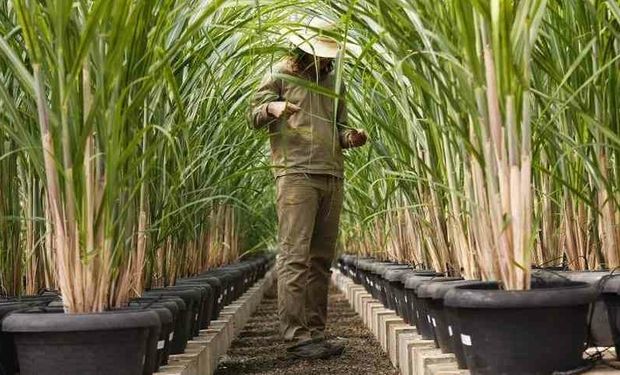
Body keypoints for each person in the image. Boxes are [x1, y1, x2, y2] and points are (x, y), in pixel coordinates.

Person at [249, 17, 367, 359]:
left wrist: (352, 138)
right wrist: (274, 107)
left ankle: (316, 332)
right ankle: (297, 337)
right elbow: (252, 115)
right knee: (295, 256)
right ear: (302, 48)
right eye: (318, 52)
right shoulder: (281, 75)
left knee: (321, 260)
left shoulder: (334, 80)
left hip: (332, 174)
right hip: (295, 174)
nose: (324, 59)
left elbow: (339, 130)